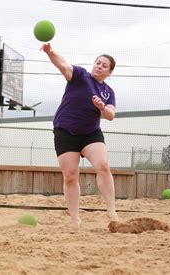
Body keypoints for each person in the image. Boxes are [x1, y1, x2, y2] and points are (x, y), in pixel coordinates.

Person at [41, 42, 119, 231]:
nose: (99, 66)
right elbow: (63, 65)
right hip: (65, 131)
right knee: (70, 176)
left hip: (90, 133)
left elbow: (110, 115)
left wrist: (101, 107)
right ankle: (75, 219)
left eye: (104, 66)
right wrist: (50, 52)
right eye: (98, 63)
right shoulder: (80, 75)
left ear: (109, 72)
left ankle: (112, 211)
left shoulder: (108, 92)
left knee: (103, 166)